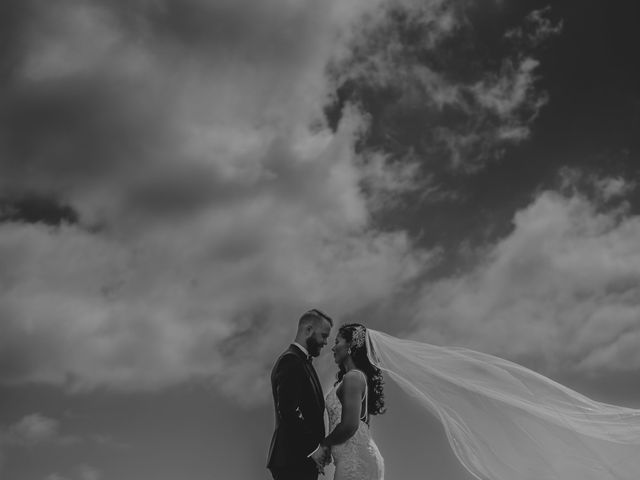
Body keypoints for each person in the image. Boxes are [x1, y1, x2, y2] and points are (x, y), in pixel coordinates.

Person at [267, 309, 333, 480]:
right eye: (323, 336)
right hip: (292, 460)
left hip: (300, 460)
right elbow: (288, 410)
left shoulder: (303, 362)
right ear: (308, 330)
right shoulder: (291, 361)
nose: (325, 342)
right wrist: (313, 449)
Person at [315, 323, 385, 480]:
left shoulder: (353, 377)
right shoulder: (355, 378)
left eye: (337, 342)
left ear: (350, 345)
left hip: (355, 462)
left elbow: (350, 425)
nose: (333, 348)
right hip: (355, 458)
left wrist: (324, 444)